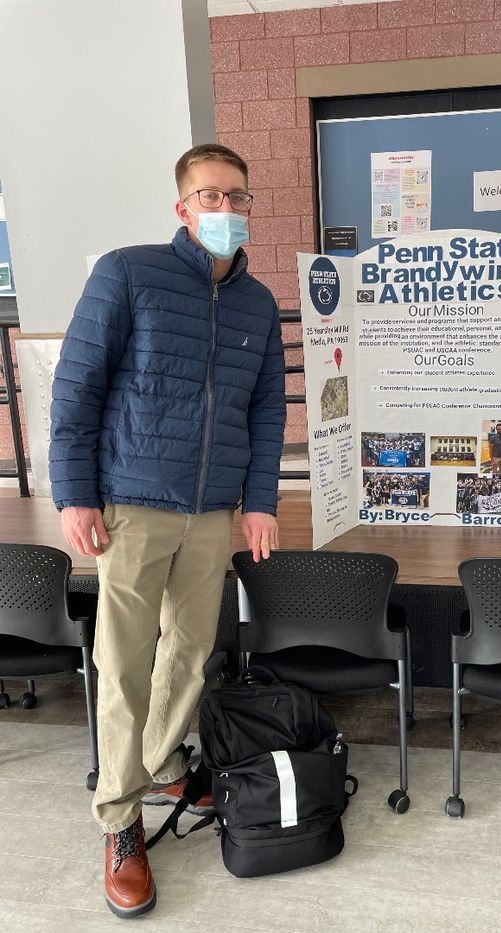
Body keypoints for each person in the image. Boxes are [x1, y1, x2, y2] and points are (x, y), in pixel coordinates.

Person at [49, 143, 286, 919]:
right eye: (210, 197)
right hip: (134, 505)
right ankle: (119, 821)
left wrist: (259, 500)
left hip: (214, 510)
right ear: (182, 207)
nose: (227, 210)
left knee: (190, 653)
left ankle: (154, 763)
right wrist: (75, 492)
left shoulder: (256, 304)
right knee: (123, 665)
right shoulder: (127, 273)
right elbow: (77, 385)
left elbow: (265, 408)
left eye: (238, 198)